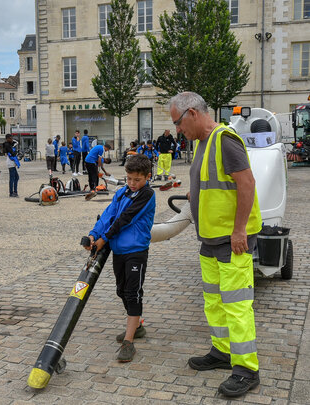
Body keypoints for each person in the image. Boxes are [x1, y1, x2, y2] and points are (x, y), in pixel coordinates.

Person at [169, 91, 262, 398]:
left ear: (193, 113)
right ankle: (222, 352)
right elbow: (210, 183)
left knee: (236, 305)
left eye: (179, 123)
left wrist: (239, 231)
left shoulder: (225, 140)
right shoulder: (201, 144)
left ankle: (246, 369)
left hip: (231, 239)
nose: (178, 131)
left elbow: (246, 183)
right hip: (209, 238)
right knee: (214, 301)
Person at [84, 154, 155, 362]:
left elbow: (124, 219)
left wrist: (104, 239)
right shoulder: (123, 192)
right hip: (119, 251)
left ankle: (129, 342)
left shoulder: (147, 194)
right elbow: (108, 215)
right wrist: (93, 235)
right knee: (121, 291)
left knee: (133, 293)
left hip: (136, 251)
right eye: (129, 179)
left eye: (137, 180)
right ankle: (138, 326)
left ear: (147, 177)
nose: (132, 184)